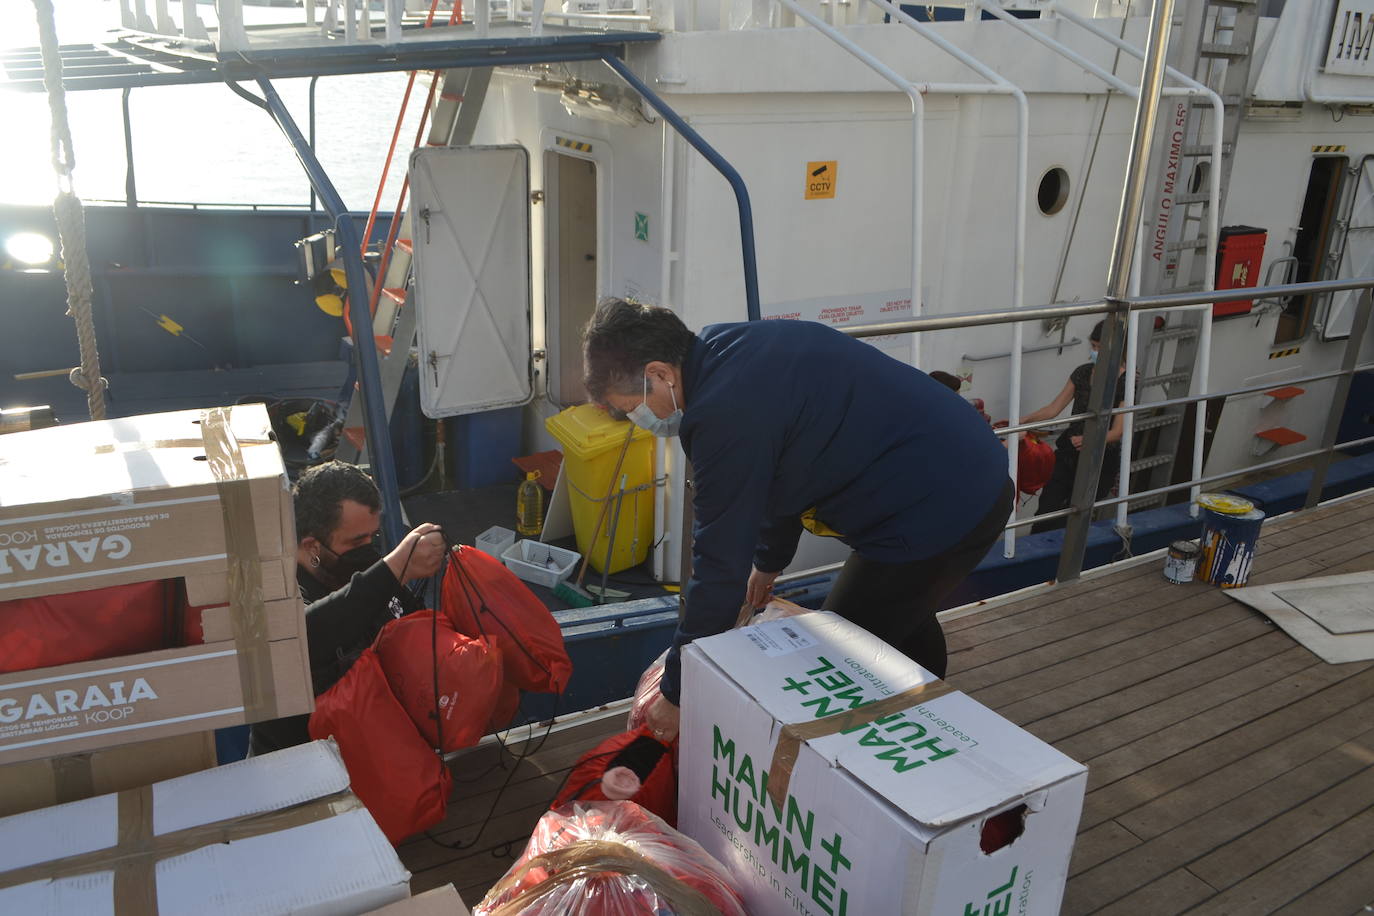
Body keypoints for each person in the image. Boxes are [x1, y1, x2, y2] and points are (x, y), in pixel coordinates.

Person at [582, 300, 1013, 739]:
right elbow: (781, 471)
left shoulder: (721, 416)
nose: (642, 420)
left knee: (841, 650)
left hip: (941, 506)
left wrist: (677, 691)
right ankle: (929, 711)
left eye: (633, 407)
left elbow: (718, 566)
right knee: (903, 609)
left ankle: (898, 751)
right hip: (971, 469)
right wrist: (770, 561)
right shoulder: (725, 346)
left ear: (660, 374)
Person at [249, 461, 447, 755]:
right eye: (356, 541)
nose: (368, 550)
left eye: (372, 537)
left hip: (377, 754)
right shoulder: (271, 584)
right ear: (313, 546)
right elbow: (302, 636)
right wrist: (396, 570)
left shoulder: (367, 568)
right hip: (299, 769)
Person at [1019, 321, 1131, 533]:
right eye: (1093, 346)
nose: (1095, 352)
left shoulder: (1126, 382)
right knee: (1046, 509)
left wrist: (1091, 440)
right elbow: (1054, 408)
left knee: (1073, 516)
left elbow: (1118, 431)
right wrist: (1024, 420)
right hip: (1070, 452)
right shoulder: (1082, 372)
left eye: (1100, 347)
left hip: (1099, 459)